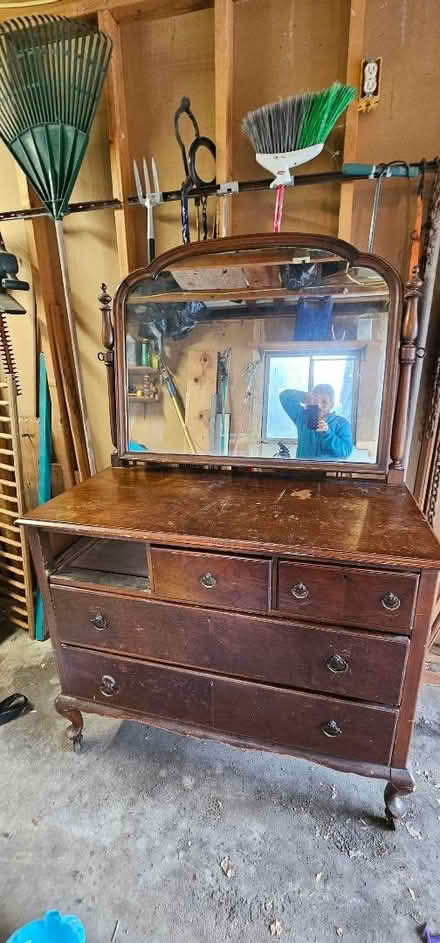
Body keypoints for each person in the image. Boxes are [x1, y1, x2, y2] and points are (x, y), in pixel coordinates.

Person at [279, 383, 353, 460]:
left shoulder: (342, 423)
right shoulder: (302, 416)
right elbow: (284, 396)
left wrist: (327, 433)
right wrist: (305, 396)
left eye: (324, 402)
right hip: (303, 468)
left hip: (328, 470)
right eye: (315, 401)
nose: (319, 406)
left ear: (332, 404)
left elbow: (346, 453)